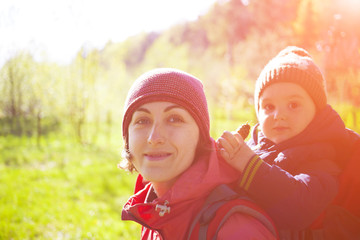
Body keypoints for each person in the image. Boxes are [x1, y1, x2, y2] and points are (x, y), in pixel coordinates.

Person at [120, 68, 278, 239]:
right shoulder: (154, 212)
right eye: (142, 120)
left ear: (201, 138)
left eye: (174, 119)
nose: (154, 137)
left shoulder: (237, 230)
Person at [217, 46, 357, 239]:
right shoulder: (251, 147)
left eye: (293, 105)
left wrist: (249, 166)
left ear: (316, 111)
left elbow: (299, 207)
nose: (279, 115)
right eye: (268, 106)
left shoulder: (321, 156)